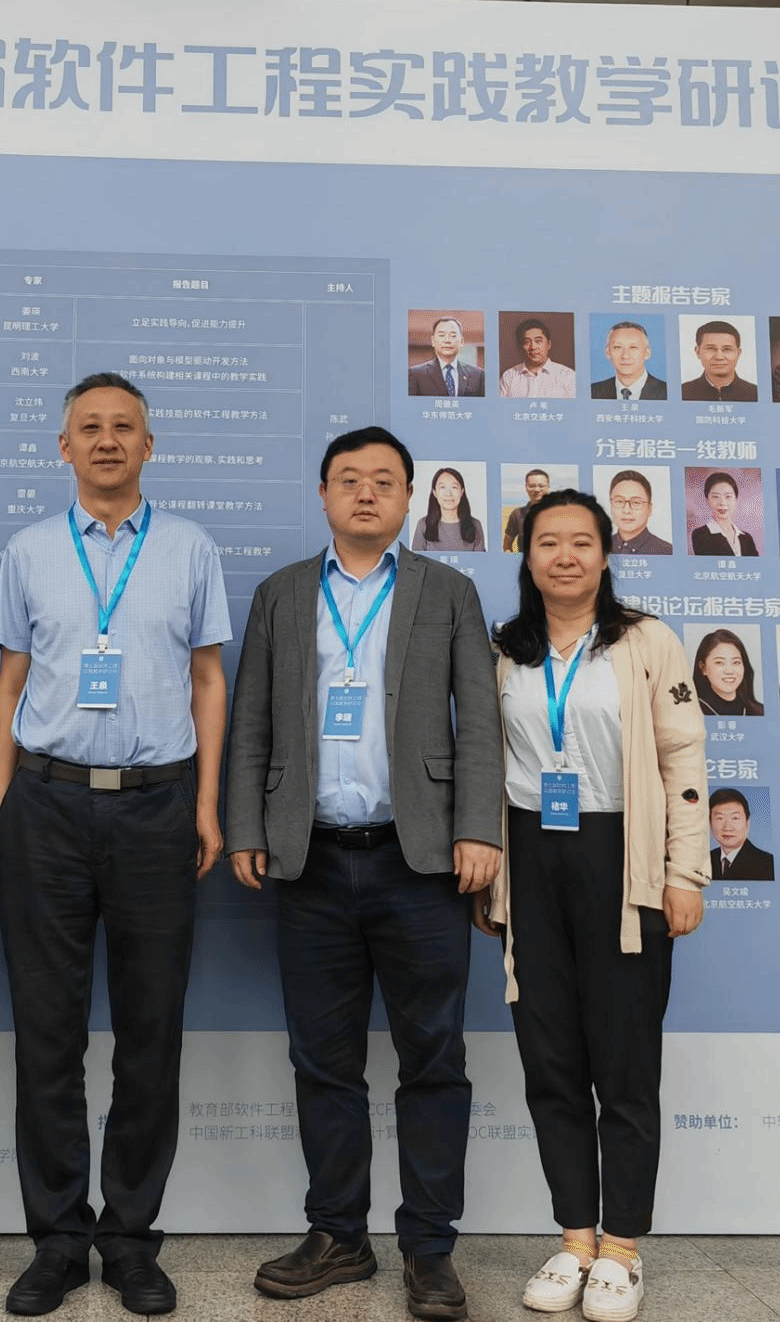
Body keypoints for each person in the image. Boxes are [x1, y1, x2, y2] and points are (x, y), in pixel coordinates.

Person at [224, 427, 503, 1322]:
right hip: (309, 859)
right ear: (323, 494)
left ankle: (430, 1248)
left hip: (419, 862)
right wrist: (246, 825)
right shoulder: (281, 593)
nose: (367, 493)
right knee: (324, 1061)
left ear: (409, 498)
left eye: (385, 480)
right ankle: (338, 1234)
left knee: (434, 1059)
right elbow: (251, 717)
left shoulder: (448, 591)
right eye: (349, 479)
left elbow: (480, 720)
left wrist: (479, 827)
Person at [0, 372, 230, 1318]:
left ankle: (129, 1239)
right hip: (44, 806)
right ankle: (56, 1239)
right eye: (88, 427)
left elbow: (207, 680)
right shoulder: (28, 551)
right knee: (46, 1034)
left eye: (124, 426)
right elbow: (9, 683)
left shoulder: (190, 548)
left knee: (150, 1031)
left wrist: (206, 806)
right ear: (64, 447)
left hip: (156, 807)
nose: (107, 440)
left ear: (148, 445)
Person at [484, 488, 706, 1322]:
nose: (566, 556)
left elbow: (683, 757)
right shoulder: (505, 648)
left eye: (582, 541)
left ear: (606, 556)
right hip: (532, 857)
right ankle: (575, 1240)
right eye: (549, 542)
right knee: (550, 1061)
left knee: (625, 1066)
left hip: (625, 858)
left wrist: (685, 872)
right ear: (527, 555)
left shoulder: (647, 641)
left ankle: (622, 1249)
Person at [412, 467, 487, 552]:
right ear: (435, 492)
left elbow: (482, 560)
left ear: (462, 492)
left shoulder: (475, 525)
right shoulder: (423, 525)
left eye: (454, 487)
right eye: (442, 487)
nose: (448, 494)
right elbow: (415, 559)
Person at [500, 317, 578, 398]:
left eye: (538, 341)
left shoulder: (568, 376)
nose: (533, 347)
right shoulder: (508, 376)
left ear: (548, 344)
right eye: (526, 342)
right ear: (521, 346)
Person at [680, 320, 757, 402]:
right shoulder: (682, 393)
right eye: (710, 348)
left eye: (727, 349)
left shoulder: (755, 394)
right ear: (698, 352)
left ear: (738, 353)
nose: (719, 357)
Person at [691, 628, 763, 716]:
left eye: (736, 662)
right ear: (703, 668)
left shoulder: (759, 711)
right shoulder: (691, 710)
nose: (729, 671)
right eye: (719, 663)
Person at [707, 788, 774, 881]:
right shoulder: (704, 861)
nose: (727, 827)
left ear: (747, 822)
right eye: (720, 818)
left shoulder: (768, 863)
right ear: (709, 823)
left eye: (735, 818)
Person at [409, 316, 485, 397]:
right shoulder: (416, 374)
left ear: (461, 342)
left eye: (453, 335)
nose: (447, 340)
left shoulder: (478, 375)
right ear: (433, 341)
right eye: (441, 335)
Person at [590, 320, 667, 400]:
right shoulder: (592, 392)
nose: (625, 356)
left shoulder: (667, 392)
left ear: (647, 353)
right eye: (618, 347)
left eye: (633, 347)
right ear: (608, 352)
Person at [688, 471, 759, 557]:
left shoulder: (747, 538)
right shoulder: (700, 535)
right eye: (715, 497)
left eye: (728, 496)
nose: (722, 503)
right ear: (707, 500)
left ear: (736, 499)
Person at [605, 470, 671, 556]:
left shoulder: (667, 551)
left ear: (650, 509)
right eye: (619, 501)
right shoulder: (601, 548)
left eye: (636, 502)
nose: (626, 510)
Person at [503, 468, 551, 552]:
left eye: (541, 486)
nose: (537, 490)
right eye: (532, 486)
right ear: (526, 488)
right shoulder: (517, 514)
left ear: (547, 487)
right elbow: (507, 546)